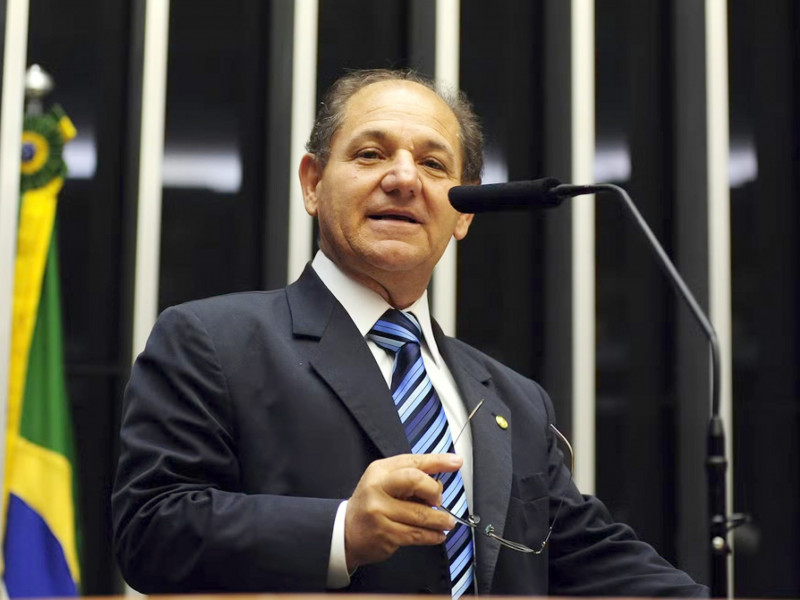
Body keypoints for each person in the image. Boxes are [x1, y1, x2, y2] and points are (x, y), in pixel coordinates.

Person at [112, 68, 707, 597]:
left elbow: (590, 557)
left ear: (465, 211)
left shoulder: (515, 399)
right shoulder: (212, 341)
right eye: (371, 154)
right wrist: (341, 530)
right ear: (313, 183)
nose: (403, 179)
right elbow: (151, 529)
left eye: (433, 164)